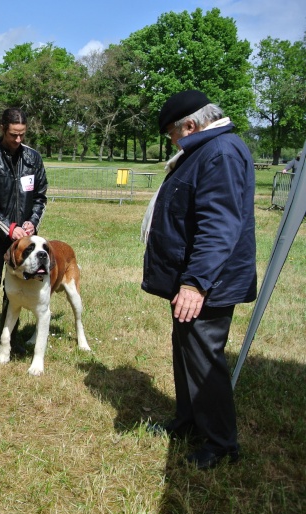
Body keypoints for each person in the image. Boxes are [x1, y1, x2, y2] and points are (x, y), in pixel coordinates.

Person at [144, 90, 257, 470]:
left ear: (190, 126)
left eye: (172, 135)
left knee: (205, 359)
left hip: (209, 282)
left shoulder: (220, 152)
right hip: (192, 279)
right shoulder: (205, 150)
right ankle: (189, 420)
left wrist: (195, 282)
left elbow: (219, 225)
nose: (173, 142)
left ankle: (221, 442)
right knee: (187, 352)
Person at [0, 107, 48, 355]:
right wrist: (10, 227)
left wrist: (31, 223)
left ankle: (10, 339)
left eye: (22, 134)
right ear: (2, 129)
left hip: (25, 242)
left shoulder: (33, 158)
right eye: (13, 134)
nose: (18, 140)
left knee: (17, 287)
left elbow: (40, 197)